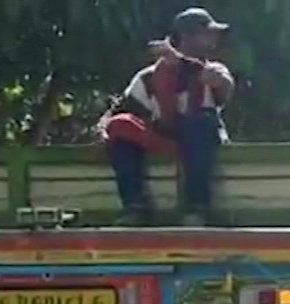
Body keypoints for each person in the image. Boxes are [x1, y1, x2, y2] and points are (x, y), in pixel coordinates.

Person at [99, 8, 236, 226]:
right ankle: (136, 208)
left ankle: (196, 208)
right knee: (119, 126)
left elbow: (223, 86)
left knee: (200, 121)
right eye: (207, 32)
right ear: (186, 37)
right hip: (164, 137)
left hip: (200, 142)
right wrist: (105, 130)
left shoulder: (211, 70)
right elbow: (122, 112)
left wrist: (179, 62)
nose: (214, 38)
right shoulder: (148, 78)